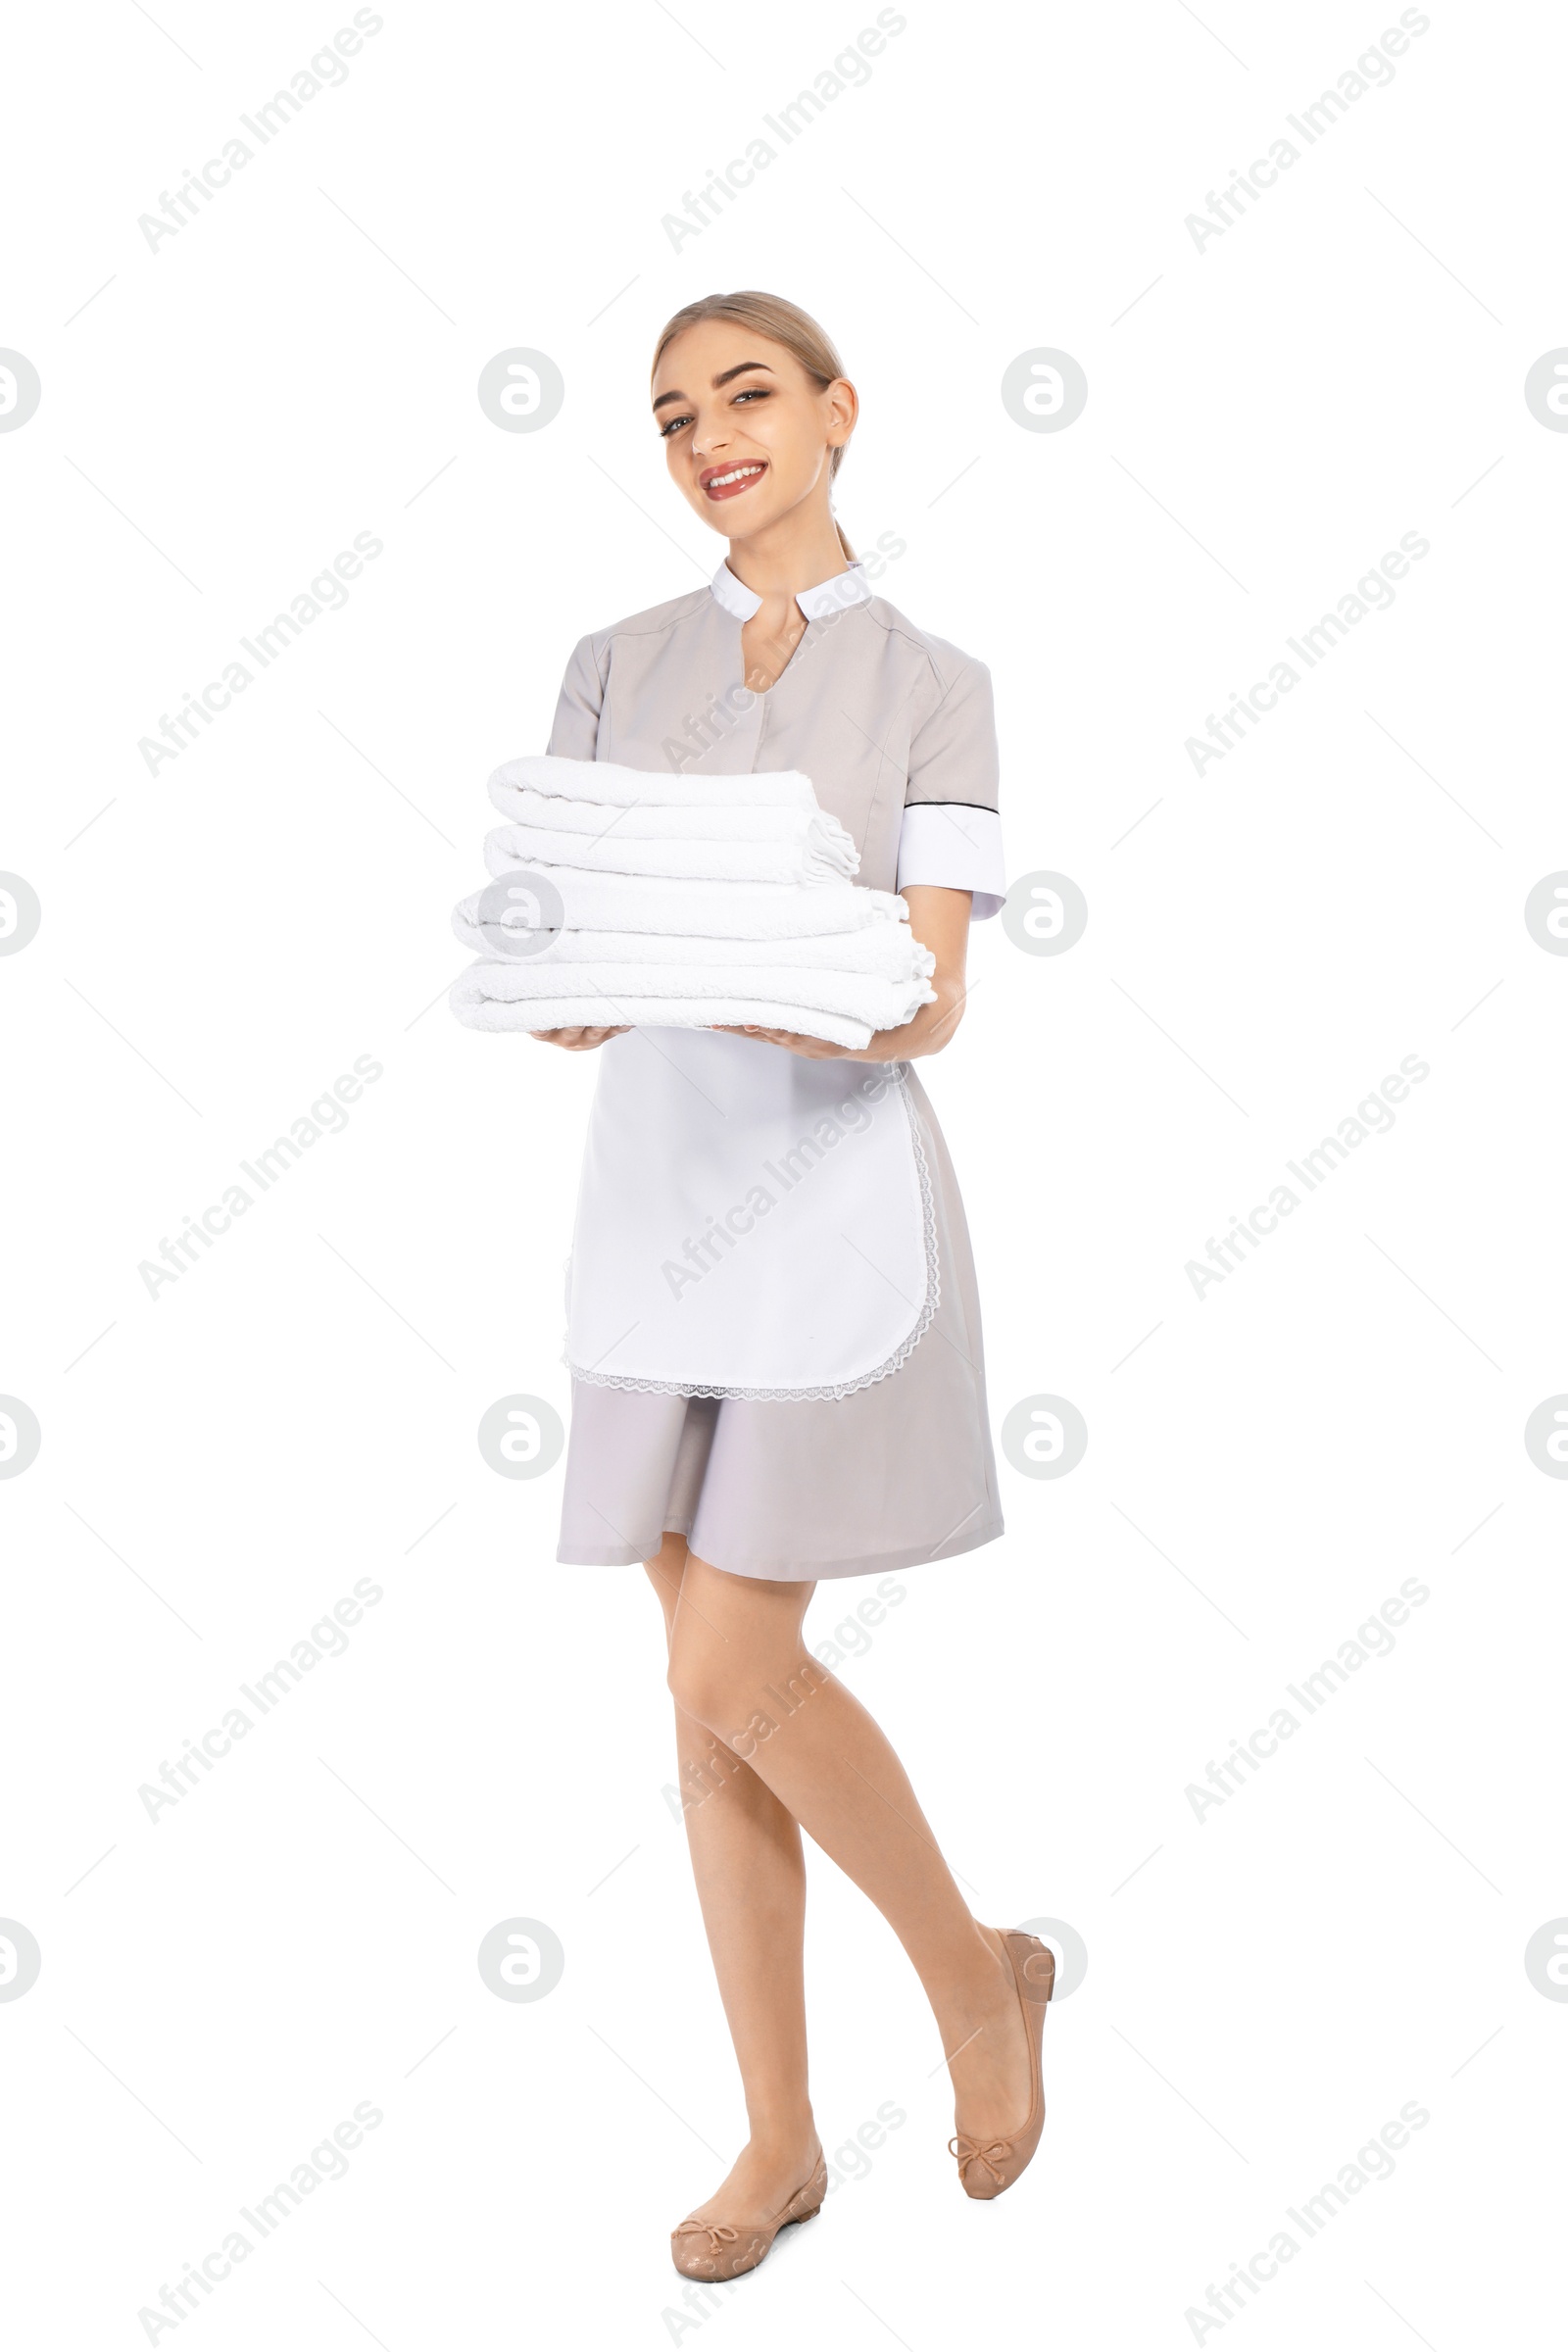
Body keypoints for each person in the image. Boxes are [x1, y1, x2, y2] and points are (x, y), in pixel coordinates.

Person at [529, 290, 1053, 2277]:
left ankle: (972, 1988)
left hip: (827, 1210)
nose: (707, 436)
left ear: (837, 412)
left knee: (731, 1670)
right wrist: (585, 995)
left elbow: (923, 993)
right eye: (672, 415)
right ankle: (775, 2139)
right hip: (656, 1203)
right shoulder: (611, 663)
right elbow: (564, 933)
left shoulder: (934, 682)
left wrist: (768, 984)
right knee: (703, 1706)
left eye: (744, 395)